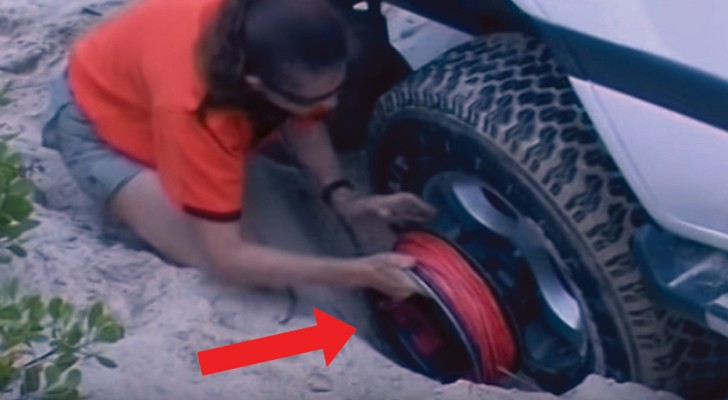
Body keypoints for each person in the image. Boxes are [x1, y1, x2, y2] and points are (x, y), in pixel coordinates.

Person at [40, 0, 436, 300]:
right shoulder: (196, 111)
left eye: (334, 90)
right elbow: (228, 259)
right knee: (239, 270)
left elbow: (304, 118)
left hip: (153, 72)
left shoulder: (273, 28)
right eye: (316, 98)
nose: (330, 107)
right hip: (101, 125)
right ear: (256, 85)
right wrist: (358, 273)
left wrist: (342, 195)